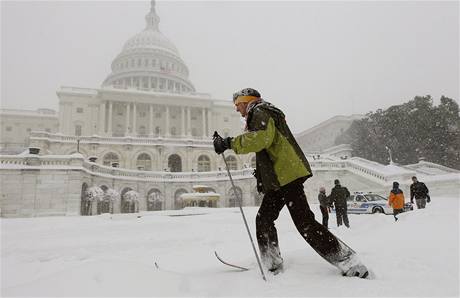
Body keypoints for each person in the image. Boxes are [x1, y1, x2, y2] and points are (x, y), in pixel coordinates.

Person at [213, 88, 369, 278]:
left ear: (247, 101)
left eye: (237, 105)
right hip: (279, 179)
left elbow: (261, 139)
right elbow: (270, 148)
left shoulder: (259, 111)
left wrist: (228, 143)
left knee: (304, 223)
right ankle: (272, 264)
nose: (237, 110)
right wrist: (262, 174)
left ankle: (348, 261)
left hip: (287, 176)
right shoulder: (261, 113)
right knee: (264, 219)